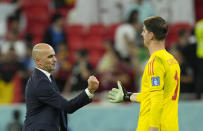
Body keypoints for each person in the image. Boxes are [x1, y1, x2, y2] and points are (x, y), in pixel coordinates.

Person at [108, 16, 180, 131]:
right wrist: (128, 96)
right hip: (170, 125)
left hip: (155, 126)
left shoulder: (155, 61)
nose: (141, 34)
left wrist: (153, 128)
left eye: (144, 31)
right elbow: (154, 96)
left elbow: (156, 100)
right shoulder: (172, 60)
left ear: (151, 35)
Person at [23, 43, 99, 131]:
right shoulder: (40, 82)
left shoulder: (47, 77)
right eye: (50, 57)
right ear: (38, 61)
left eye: (54, 56)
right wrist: (90, 90)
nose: (55, 60)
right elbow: (68, 107)